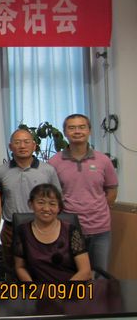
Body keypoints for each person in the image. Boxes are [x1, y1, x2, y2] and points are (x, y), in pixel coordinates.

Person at [49, 113, 118, 271]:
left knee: (100, 273)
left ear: (89, 130)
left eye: (82, 127)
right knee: (70, 274)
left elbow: (112, 191)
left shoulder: (103, 161)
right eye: (72, 128)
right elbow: (52, 196)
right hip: (68, 228)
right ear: (65, 132)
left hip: (100, 229)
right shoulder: (54, 162)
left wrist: (97, 209)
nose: (77, 131)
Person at [0, 128, 61, 270]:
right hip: (11, 229)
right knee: (12, 269)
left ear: (34, 145)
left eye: (26, 142)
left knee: (42, 269)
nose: (22, 146)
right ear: (10, 146)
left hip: (41, 227)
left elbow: (57, 200)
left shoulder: (47, 170)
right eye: (17, 142)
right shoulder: (1, 171)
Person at [14, 183, 92, 282]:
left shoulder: (71, 230)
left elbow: (85, 271)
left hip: (69, 287)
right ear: (31, 204)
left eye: (52, 204)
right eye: (41, 203)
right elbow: (20, 267)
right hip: (37, 289)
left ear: (59, 207)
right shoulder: (22, 231)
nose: (46, 209)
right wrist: (32, 288)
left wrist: (62, 290)